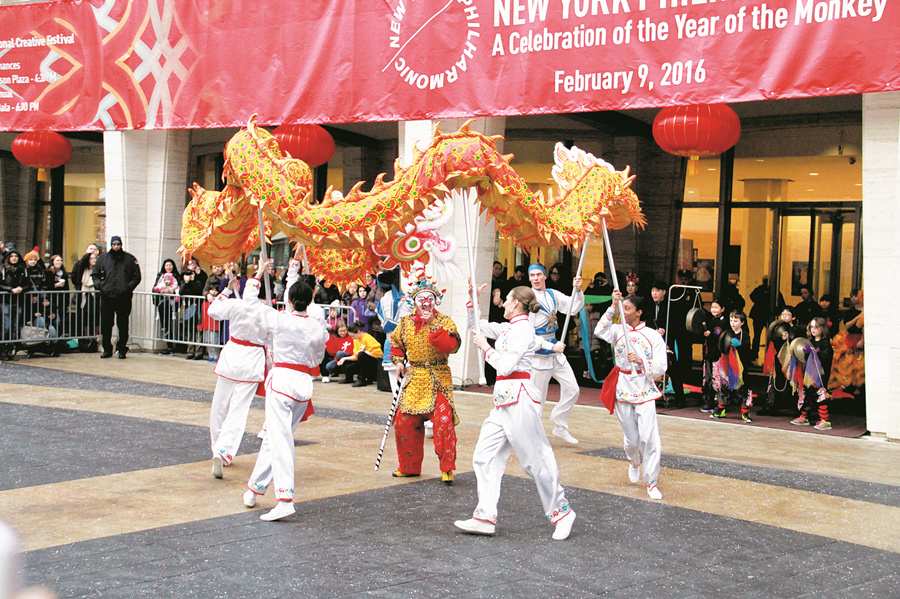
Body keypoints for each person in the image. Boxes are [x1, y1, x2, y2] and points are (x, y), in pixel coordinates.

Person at [455, 283, 575, 540]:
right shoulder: (509, 328)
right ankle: (485, 516)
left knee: (535, 460)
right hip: (503, 401)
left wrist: (486, 348)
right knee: (483, 456)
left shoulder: (523, 330)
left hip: (519, 398)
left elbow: (507, 365)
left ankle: (562, 513)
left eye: (506, 300)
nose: (503, 304)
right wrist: (472, 300)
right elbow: (476, 326)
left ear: (516, 303)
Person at [243, 257, 328, 522]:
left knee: (280, 441)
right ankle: (254, 488)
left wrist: (257, 274)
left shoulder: (280, 320)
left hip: (282, 383)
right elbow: (318, 358)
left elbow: (249, 303)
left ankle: (285, 498)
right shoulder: (316, 327)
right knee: (275, 438)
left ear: (289, 300)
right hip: (302, 386)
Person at [388, 273, 461, 483]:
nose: (425, 302)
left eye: (429, 298)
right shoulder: (405, 323)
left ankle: (447, 467)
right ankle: (408, 467)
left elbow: (452, 347)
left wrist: (432, 326)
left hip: (438, 377)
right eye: (421, 299)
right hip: (414, 378)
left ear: (436, 300)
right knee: (403, 422)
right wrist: (399, 361)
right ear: (414, 301)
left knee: (444, 422)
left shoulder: (445, 322)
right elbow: (396, 344)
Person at [595, 290, 667, 500]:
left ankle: (651, 481)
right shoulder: (617, 330)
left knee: (649, 437)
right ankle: (633, 460)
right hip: (622, 388)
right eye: (622, 308)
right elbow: (600, 330)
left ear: (639, 312)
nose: (623, 312)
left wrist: (641, 362)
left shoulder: (653, 336)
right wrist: (612, 306)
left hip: (644, 388)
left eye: (627, 308)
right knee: (632, 440)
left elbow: (661, 366)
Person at [206, 266, 271, 478]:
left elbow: (213, 311)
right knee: (238, 410)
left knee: (219, 405)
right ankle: (223, 450)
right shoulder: (267, 312)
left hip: (232, 357)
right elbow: (272, 340)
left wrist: (226, 291)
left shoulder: (235, 304)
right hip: (251, 362)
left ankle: (218, 446)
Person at [527, 264, 584, 444]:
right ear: (529, 278)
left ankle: (559, 424)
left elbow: (572, 308)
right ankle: (532, 435)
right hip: (539, 354)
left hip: (556, 350)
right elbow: (526, 333)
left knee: (573, 389)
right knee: (538, 398)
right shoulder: (525, 297)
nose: (536, 278)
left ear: (545, 276)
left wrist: (578, 290)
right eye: (532, 275)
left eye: (539, 274)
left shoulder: (553, 294)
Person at [91, 236, 141, 359]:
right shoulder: (103, 259)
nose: (116, 247)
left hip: (123, 297)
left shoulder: (129, 259)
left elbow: (136, 277)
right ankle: (107, 349)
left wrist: (127, 288)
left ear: (121, 245)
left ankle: (122, 348)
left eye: (118, 244)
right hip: (107, 297)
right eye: (114, 245)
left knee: (123, 325)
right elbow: (95, 274)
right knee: (106, 325)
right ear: (111, 245)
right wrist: (100, 286)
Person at [710, 310, 754, 422]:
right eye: (731, 320)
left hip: (741, 367)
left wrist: (740, 345)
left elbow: (748, 351)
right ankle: (721, 410)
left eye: (736, 321)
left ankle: (745, 412)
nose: (732, 323)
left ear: (742, 322)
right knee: (724, 387)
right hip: (726, 365)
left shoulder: (745, 335)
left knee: (742, 388)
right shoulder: (727, 333)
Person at [791, 317, 834, 429]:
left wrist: (813, 352)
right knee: (807, 394)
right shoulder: (811, 342)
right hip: (809, 373)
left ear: (823, 329)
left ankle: (825, 420)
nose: (813, 329)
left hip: (821, 374)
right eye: (811, 327)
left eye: (816, 327)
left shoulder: (825, 344)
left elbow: (826, 358)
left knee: (820, 395)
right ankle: (804, 417)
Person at [1, 247, 30, 360]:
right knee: (6, 326)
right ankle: (2, 349)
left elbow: (28, 284)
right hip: (5, 301)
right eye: (12, 256)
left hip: (18, 301)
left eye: (16, 256)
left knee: (14, 327)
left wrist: (21, 288)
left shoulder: (23, 270)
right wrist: (10, 289)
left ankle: (10, 350)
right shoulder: (3, 270)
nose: (14, 258)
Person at [699, 298, 727, 412]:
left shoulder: (725, 322)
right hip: (708, 354)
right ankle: (708, 401)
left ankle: (719, 402)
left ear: (723, 309)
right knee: (708, 378)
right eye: (712, 307)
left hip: (719, 355)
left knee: (718, 379)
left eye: (716, 307)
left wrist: (711, 335)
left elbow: (724, 338)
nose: (714, 310)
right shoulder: (709, 320)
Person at [336, 321, 383, 387]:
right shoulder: (356, 339)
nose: (352, 338)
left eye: (353, 336)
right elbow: (355, 355)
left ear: (358, 332)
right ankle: (348, 378)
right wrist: (344, 358)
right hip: (361, 359)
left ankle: (362, 379)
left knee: (361, 355)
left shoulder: (367, 338)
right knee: (346, 360)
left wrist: (364, 351)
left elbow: (379, 354)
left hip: (372, 363)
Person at [152, 258, 181, 355]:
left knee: (170, 324)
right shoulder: (160, 276)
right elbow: (155, 288)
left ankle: (171, 346)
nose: (169, 267)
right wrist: (159, 290)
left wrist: (171, 292)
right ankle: (167, 346)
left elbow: (179, 289)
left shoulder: (177, 277)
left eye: (170, 265)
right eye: (167, 265)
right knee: (164, 324)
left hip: (171, 303)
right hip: (162, 302)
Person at [180, 268, 206, 360]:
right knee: (189, 330)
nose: (190, 275)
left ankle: (198, 352)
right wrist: (186, 282)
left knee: (198, 329)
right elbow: (181, 292)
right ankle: (190, 351)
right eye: (187, 274)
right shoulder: (184, 283)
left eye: (191, 274)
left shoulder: (198, 282)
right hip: (189, 309)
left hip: (197, 308)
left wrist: (191, 281)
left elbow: (197, 291)